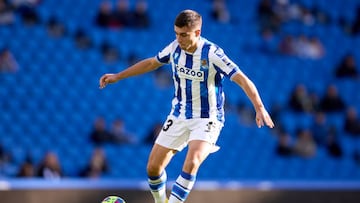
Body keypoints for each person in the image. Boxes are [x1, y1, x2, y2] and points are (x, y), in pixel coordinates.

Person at [99, 9, 274, 203]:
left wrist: (259, 107)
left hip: (208, 118)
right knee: (153, 169)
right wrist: (118, 75)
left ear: (197, 33)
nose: (179, 39)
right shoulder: (174, 48)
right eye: (176, 33)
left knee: (193, 161)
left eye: (183, 35)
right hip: (180, 114)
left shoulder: (212, 53)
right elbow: (151, 63)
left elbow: (242, 79)